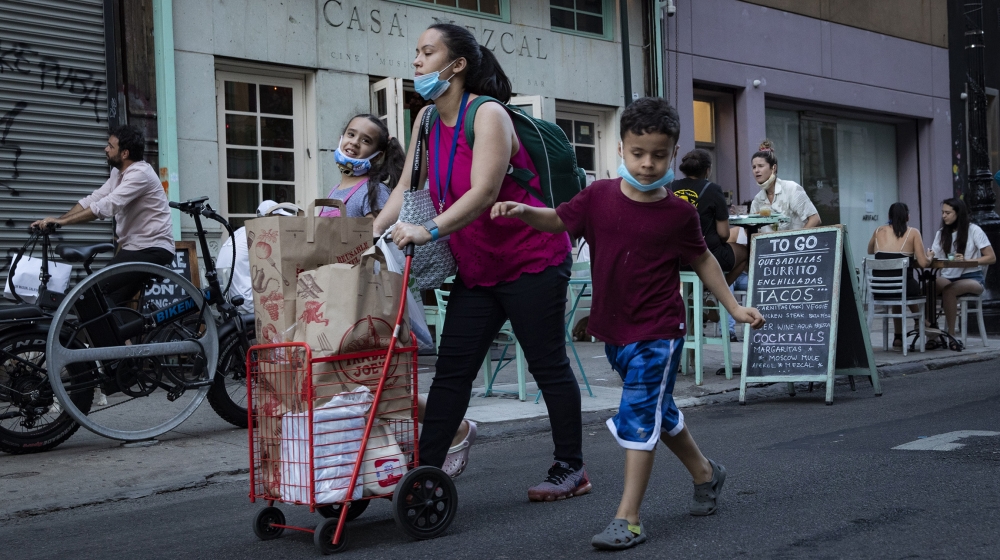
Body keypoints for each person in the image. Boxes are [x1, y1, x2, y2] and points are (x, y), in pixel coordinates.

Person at [491, 97, 765, 550]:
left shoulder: (678, 212)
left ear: (673, 154)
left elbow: (701, 258)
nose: (648, 163)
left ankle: (629, 517)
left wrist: (734, 307)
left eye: (659, 155)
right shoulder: (597, 197)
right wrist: (525, 211)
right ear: (620, 148)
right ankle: (705, 473)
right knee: (659, 409)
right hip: (614, 330)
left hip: (659, 330)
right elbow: (559, 219)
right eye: (638, 153)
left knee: (638, 415)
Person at [380, 23, 588, 500]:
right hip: (478, 266)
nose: (416, 61)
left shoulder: (487, 114)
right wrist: (363, 235)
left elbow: (484, 191)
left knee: (546, 364)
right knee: (454, 368)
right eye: (416, 51)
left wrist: (426, 229)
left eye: (426, 52)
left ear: (455, 66)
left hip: (530, 258)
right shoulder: (427, 120)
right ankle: (424, 472)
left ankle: (571, 467)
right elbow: (405, 188)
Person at [31, 125, 174, 303]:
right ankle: (124, 331)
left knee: (91, 293)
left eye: (110, 146)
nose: (105, 149)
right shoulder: (118, 172)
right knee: (107, 303)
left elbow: (107, 206)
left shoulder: (140, 174)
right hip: (134, 248)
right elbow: (95, 198)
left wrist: (64, 223)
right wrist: (57, 221)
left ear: (125, 153)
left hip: (152, 249)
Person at [672, 148, 748, 285]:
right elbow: (724, 234)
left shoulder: (671, 187)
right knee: (745, 252)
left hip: (677, 258)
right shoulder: (713, 189)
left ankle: (695, 296)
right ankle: (713, 293)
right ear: (707, 169)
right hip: (707, 255)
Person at [929, 198, 996, 349]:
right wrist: (930, 256)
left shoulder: (974, 230)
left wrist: (969, 260)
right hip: (948, 276)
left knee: (950, 290)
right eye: (942, 213)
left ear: (958, 214)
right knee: (929, 287)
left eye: (948, 213)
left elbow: (991, 257)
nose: (944, 216)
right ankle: (932, 333)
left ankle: (951, 335)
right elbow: (936, 256)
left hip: (972, 278)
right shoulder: (942, 233)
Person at [216, 200, 300, 314]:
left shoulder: (242, 231)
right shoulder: (263, 234)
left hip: (229, 299)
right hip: (248, 301)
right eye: (280, 218)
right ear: (271, 218)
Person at [866, 202, 931, 348]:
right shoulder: (913, 232)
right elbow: (923, 263)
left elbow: (870, 251)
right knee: (907, 286)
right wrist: (930, 256)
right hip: (903, 287)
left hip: (880, 289)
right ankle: (923, 322)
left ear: (889, 216)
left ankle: (898, 337)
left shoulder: (878, 231)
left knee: (899, 285)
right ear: (907, 217)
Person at [319, 114, 405, 219]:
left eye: (366, 141)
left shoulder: (375, 191)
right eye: (351, 134)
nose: (354, 142)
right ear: (340, 139)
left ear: (377, 156)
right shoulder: (334, 190)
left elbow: (377, 233)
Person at [749, 140, 821, 231]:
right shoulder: (757, 200)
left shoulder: (791, 189)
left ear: (774, 168)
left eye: (760, 166)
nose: (756, 170)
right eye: (754, 167)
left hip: (796, 243)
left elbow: (815, 219)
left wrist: (795, 240)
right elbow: (751, 233)